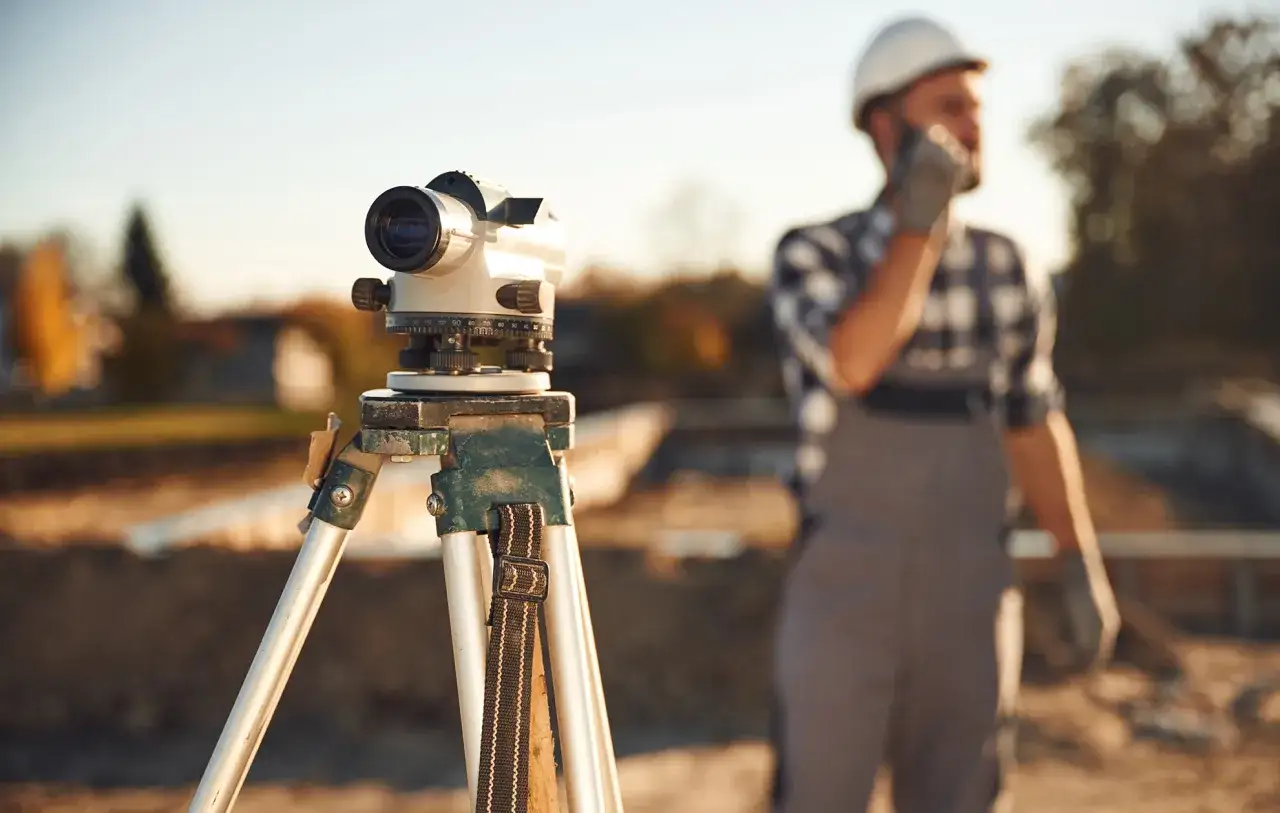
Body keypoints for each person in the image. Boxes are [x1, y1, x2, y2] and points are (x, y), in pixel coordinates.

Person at [765, 15, 1121, 813]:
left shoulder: (1010, 266)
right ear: (885, 127)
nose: (972, 125)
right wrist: (917, 227)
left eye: (977, 108)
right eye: (949, 106)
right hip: (842, 590)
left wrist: (1078, 559)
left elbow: (1033, 422)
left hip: (972, 590)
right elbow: (854, 363)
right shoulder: (815, 255)